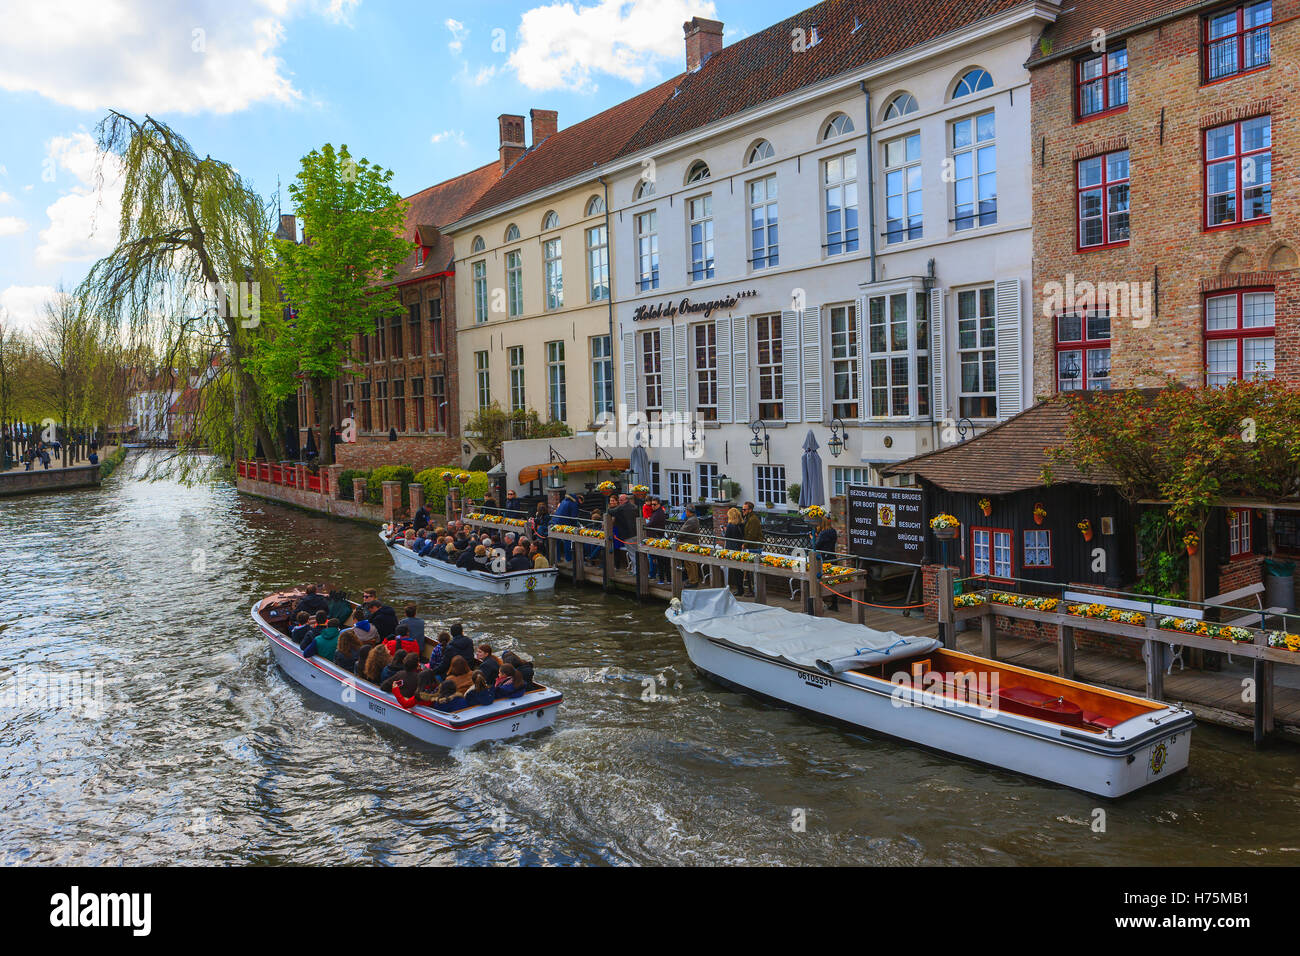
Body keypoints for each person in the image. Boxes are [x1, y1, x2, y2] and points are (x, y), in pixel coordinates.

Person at [742, 501, 764, 595]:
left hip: (755, 547)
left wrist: (745, 544)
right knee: (750, 571)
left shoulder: (753, 519)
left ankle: (755, 591)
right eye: (742, 509)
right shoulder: (748, 518)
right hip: (751, 546)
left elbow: (752, 535)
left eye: (744, 509)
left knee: (754, 570)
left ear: (750, 510)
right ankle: (751, 590)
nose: (742, 511)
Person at [645, 496, 668, 584]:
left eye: (654, 504)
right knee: (653, 558)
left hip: (656, 537)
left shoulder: (658, 513)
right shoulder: (656, 512)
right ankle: (657, 575)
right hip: (655, 537)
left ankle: (654, 575)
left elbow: (651, 524)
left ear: (659, 504)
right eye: (651, 504)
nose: (652, 506)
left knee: (654, 558)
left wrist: (643, 526)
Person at [724, 507, 746, 596]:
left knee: (735, 570)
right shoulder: (742, 524)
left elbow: (726, 537)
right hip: (739, 548)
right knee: (739, 570)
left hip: (732, 549)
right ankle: (741, 588)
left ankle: (739, 589)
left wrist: (723, 531)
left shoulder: (730, 525)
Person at [679, 505, 703, 585]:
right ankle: (692, 579)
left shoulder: (691, 520)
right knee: (690, 563)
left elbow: (683, 531)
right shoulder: (694, 518)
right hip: (691, 543)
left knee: (690, 563)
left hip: (690, 543)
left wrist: (676, 536)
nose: (685, 512)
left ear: (689, 512)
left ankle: (693, 581)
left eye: (686, 511)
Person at [553, 493, 579, 562]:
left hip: (555, 522)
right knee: (567, 540)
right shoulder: (574, 504)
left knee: (557, 541)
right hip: (564, 523)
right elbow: (574, 517)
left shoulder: (563, 501)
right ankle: (568, 559)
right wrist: (575, 527)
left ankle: (557, 558)